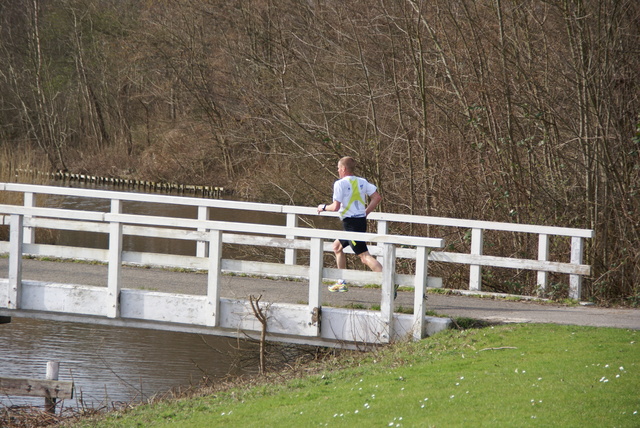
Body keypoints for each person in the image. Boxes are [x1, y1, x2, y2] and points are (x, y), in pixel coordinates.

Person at [317, 156, 382, 292]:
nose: (338, 171)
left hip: (351, 224)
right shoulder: (362, 181)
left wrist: (323, 207)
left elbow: (335, 207)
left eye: (339, 169)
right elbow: (377, 198)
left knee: (364, 257)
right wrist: (365, 213)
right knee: (337, 247)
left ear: (344, 169)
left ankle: (388, 280)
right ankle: (341, 282)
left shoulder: (339, 184)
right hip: (359, 221)